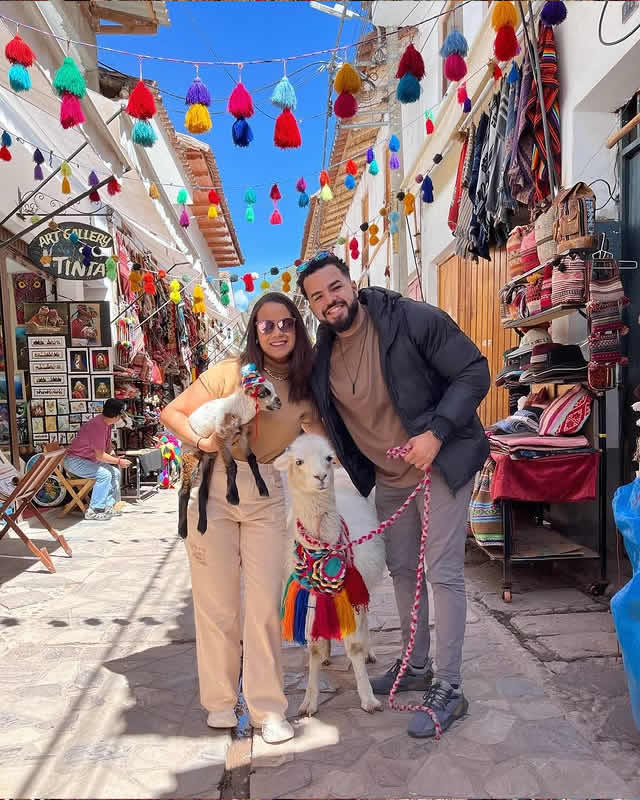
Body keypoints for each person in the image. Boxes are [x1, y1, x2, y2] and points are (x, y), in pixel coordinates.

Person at [297, 252, 490, 739]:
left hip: (441, 461)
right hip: (388, 479)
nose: (329, 300)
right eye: (317, 296)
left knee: (441, 571)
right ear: (312, 306)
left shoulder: (411, 318)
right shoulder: (321, 360)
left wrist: (437, 433)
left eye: (335, 287)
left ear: (352, 282)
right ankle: (418, 664)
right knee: (403, 572)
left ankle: (450, 686)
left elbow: (474, 371)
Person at [160, 292, 321, 746]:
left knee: (266, 606)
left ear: (297, 328)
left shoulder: (306, 385)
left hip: (265, 490)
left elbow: (327, 436)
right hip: (212, 490)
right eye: (267, 325)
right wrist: (200, 440)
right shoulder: (230, 372)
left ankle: (268, 708)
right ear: (256, 331)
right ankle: (218, 702)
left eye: (285, 323)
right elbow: (172, 411)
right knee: (217, 606)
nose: (277, 332)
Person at [63, 397, 131, 521]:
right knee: (104, 475)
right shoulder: (98, 425)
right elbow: (100, 455)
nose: (122, 418)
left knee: (114, 472)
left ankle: (108, 506)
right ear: (116, 415)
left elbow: (108, 446)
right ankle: (95, 509)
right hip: (75, 461)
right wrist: (118, 461)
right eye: (121, 415)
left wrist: (115, 458)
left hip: (87, 460)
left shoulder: (107, 424)